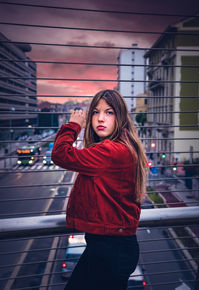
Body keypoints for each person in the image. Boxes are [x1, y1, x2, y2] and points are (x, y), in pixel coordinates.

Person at [51, 89, 148, 290]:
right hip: (109, 247)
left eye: (109, 112)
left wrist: (74, 125)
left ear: (120, 116)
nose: (100, 118)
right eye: (95, 112)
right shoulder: (124, 145)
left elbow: (60, 154)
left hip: (111, 250)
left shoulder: (111, 151)